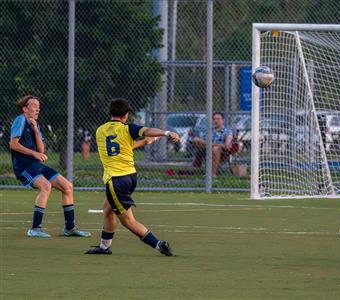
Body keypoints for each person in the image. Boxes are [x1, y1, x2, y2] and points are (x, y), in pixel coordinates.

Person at [85, 98, 180, 256]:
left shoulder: (100, 130)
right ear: (126, 115)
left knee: (128, 221)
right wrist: (166, 133)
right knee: (108, 209)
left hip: (116, 181)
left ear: (111, 113)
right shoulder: (128, 129)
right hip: (130, 177)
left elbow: (116, 147)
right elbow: (147, 131)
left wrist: (143, 142)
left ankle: (159, 244)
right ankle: (104, 247)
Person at [10, 95, 91, 238]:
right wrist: (33, 153)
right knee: (46, 186)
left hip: (36, 165)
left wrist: (35, 130)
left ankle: (70, 228)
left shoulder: (35, 124)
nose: (37, 109)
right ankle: (35, 228)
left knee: (67, 186)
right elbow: (13, 144)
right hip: (24, 167)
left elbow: (41, 150)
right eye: (34, 106)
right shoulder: (20, 119)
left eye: (38, 106)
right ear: (25, 109)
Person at [192, 112, 234, 177]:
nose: (216, 121)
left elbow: (227, 145)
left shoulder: (227, 130)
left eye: (218, 119)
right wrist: (213, 144)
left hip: (221, 151)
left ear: (223, 120)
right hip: (205, 149)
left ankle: (212, 174)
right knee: (196, 139)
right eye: (214, 119)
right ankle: (210, 146)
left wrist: (212, 144)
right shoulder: (209, 129)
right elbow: (199, 140)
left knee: (215, 148)